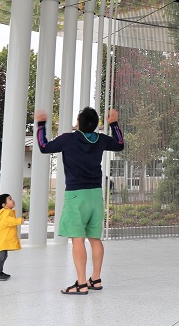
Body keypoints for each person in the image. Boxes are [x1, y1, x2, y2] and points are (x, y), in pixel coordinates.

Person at [36, 106, 124, 295]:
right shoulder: (100, 139)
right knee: (95, 238)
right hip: (95, 195)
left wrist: (41, 124)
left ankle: (82, 283)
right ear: (96, 124)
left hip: (76, 196)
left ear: (78, 121)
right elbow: (119, 144)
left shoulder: (69, 139)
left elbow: (44, 147)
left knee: (78, 239)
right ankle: (96, 279)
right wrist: (114, 124)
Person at [0, 193, 24, 281]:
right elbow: (7, 220)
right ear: (4, 205)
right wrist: (18, 220)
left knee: (4, 256)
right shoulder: (6, 212)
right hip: (1, 239)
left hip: (3, 239)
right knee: (0, 257)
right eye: (9, 199)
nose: (12, 200)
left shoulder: (8, 211)